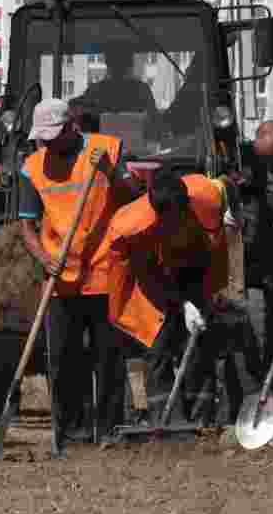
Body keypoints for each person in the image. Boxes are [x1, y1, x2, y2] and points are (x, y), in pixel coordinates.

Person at [17, 97, 133, 455]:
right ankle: (71, 435)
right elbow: (27, 226)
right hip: (60, 279)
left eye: (54, 136)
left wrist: (110, 174)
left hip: (104, 271)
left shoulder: (106, 150)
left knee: (108, 357)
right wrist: (43, 259)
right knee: (64, 361)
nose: (47, 145)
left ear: (72, 127)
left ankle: (111, 430)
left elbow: (133, 197)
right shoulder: (32, 167)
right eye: (43, 138)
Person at [105, 170, 251, 428]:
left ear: (186, 206)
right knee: (158, 345)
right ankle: (167, 422)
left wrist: (235, 210)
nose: (173, 223)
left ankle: (200, 418)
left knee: (197, 344)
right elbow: (148, 276)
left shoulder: (204, 195)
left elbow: (227, 185)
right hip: (150, 283)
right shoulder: (134, 228)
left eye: (178, 217)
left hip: (192, 268)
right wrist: (183, 305)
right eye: (167, 220)